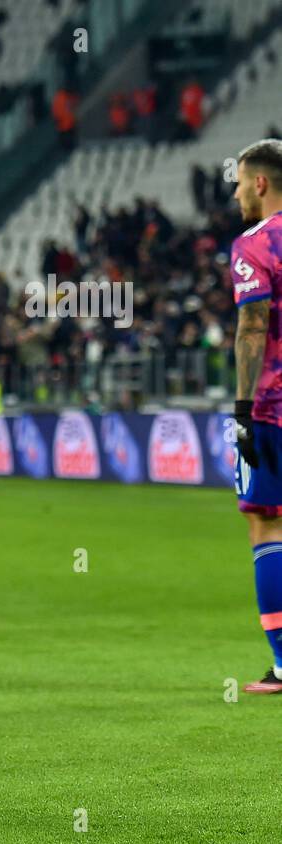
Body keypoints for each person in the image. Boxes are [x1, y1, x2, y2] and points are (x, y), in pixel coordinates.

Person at [227, 138, 282, 694]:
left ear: (261, 183)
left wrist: (243, 408)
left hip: (272, 404)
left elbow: (253, 325)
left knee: (266, 522)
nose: (239, 192)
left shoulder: (256, 243)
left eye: (241, 182)